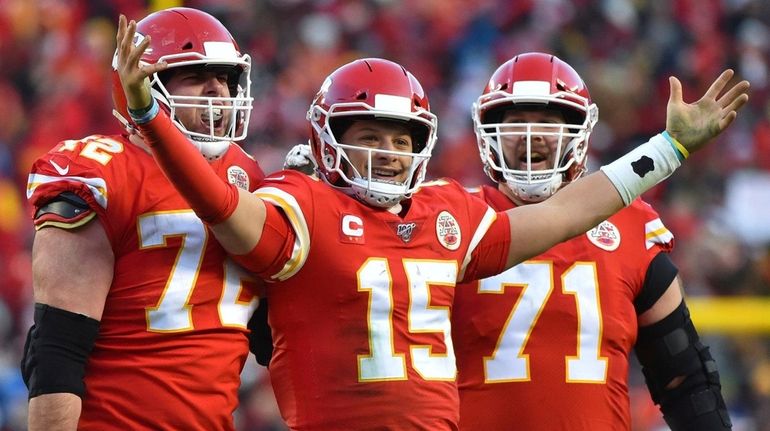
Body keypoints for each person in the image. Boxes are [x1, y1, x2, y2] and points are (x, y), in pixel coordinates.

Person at [116, 11, 749, 427]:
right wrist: (153, 117)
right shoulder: (330, 207)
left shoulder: (450, 218)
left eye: (399, 139)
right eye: (366, 135)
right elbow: (231, 226)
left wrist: (667, 150)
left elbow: (567, 217)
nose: (384, 154)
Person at [451, 52, 733, 431]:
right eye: (515, 122)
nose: (530, 136)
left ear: (578, 133)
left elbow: (682, 374)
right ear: (488, 133)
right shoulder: (452, 220)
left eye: (548, 123)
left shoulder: (631, 223)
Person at [21, 8, 266, 430]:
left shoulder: (249, 176)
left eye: (225, 78)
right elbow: (59, 346)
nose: (217, 93)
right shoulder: (103, 172)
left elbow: (280, 337)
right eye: (195, 76)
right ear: (144, 85)